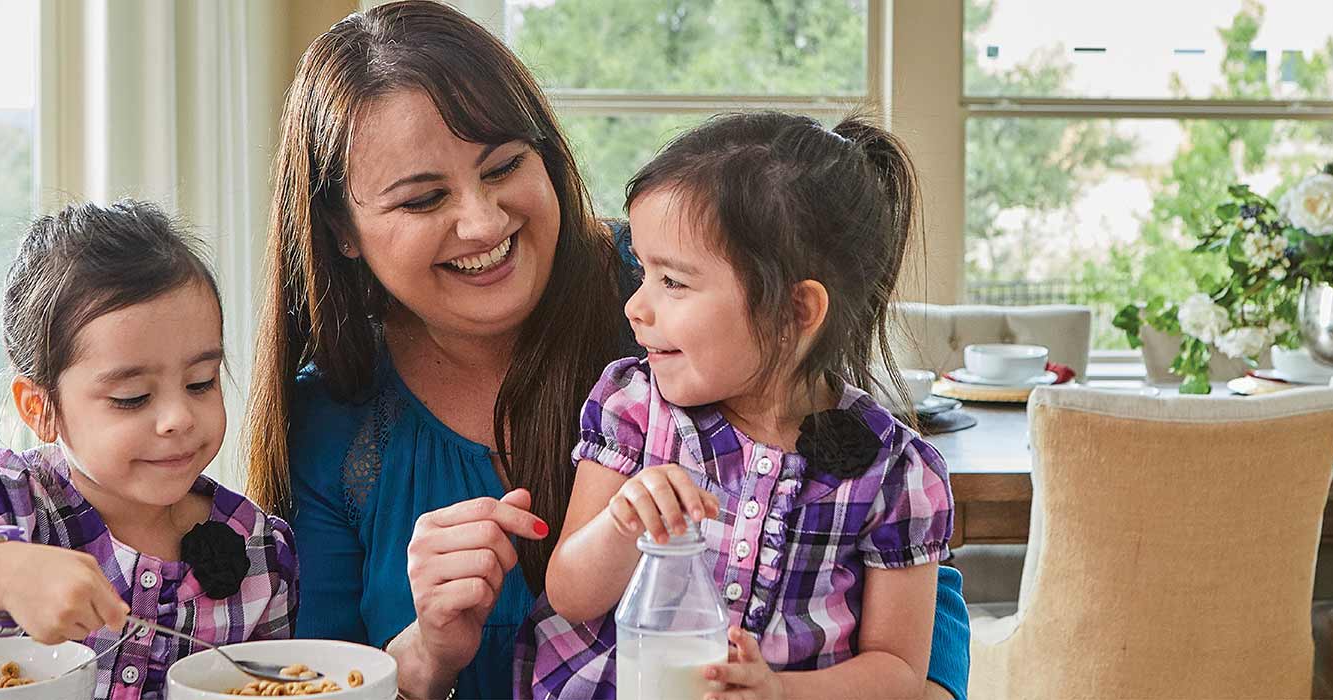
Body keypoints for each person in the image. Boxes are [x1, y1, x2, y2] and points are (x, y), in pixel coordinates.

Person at [243, 3, 971, 699]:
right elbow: (314, 679)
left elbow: (915, 634)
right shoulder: (333, 420)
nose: (482, 220)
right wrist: (426, 655)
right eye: (423, 199)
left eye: (502, 167)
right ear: (341, 228)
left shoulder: (679, 305)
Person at [519, 111, 948, 700]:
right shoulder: (634, 407)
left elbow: (899, 671)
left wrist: (779, 691)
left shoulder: (895, 472)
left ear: (796, 313)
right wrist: (621, 522)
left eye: (673, 282)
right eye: (642, 271)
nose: (635, 307)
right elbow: (568, 594)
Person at [0, 200, 297, 699]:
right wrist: (0, 573)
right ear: (41, 407)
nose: (178, 418)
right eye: (133, 398)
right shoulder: (10, 502)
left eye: (200, 382)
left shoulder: (257, 547)